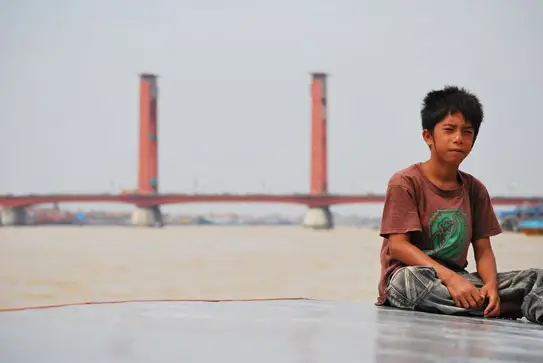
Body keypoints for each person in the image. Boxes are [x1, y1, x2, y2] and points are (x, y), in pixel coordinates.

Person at [375, 85, 543, 324]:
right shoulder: (405, 182)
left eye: (467, 132)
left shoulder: (475, 189)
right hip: (417, 282)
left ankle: (491, 304)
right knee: (409, 281)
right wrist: (451, 281)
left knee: (536, 279)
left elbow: (483, 250)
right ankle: (506, 307)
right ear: (428, 136)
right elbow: (399, 247)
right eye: (449, 129)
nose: (458, 139)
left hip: (462, 283)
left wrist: (491, 287)